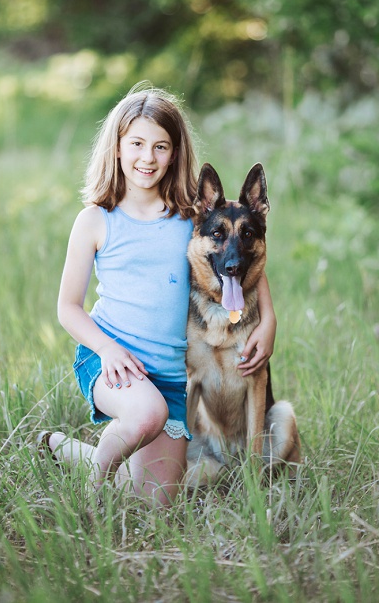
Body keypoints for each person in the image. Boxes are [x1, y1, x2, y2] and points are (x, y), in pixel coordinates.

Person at [38, 84, 277, 505]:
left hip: (169, 379)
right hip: (113, 360)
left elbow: (235, 260)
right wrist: (107, 350)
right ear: (116, 147)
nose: (147, 158)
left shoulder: (190, 217)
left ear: (175, 152)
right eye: (136, 144)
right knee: (145, 414)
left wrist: (269, 319)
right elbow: (67, 308)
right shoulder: (94, 220)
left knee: (157, 503)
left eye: (161, 146)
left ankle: (74, 453)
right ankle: (88, 497)